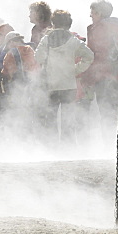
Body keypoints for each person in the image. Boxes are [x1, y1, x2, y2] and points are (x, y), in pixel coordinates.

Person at [35, 10, 95, 143]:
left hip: (51, 85)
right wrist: (75, 70)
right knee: (68, 118)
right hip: (69, 85)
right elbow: (89, 56)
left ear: (53, 23)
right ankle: (68, 148)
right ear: (69, 24)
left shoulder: (46, 39)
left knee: (50, 118)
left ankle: (51, 146)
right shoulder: (74, 41)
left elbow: (38, 56)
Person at [79, 0, 118, 130]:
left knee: (105, 113)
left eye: (93, 13)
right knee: (117, 112)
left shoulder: (98, 30)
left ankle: (109, 145)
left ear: (100, 13)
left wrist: (87, 77)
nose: (90, 16)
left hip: (103, 77)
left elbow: (94, 56)